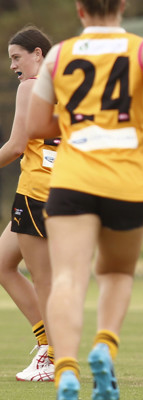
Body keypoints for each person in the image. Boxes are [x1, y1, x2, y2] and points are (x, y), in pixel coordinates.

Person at [26, 1, 143, 399]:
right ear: (122, 6)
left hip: (73, 177)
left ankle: (66, 372)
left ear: (80, 10)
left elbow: (36, 125)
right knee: (115, 274)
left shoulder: (58, 54)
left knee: (67, 278)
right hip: (127, 179)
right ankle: (104, 345)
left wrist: (79, 122)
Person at [1, 26, 55, 382]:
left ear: (38, 53)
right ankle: (47, 345)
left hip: (36, 191)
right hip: (61, 190)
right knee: (2, 263)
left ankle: (53, 357)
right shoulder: (66, 85)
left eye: (16, 57)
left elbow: (17, 145)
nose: (12, 66)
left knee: (45, 280)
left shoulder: (29, 86)